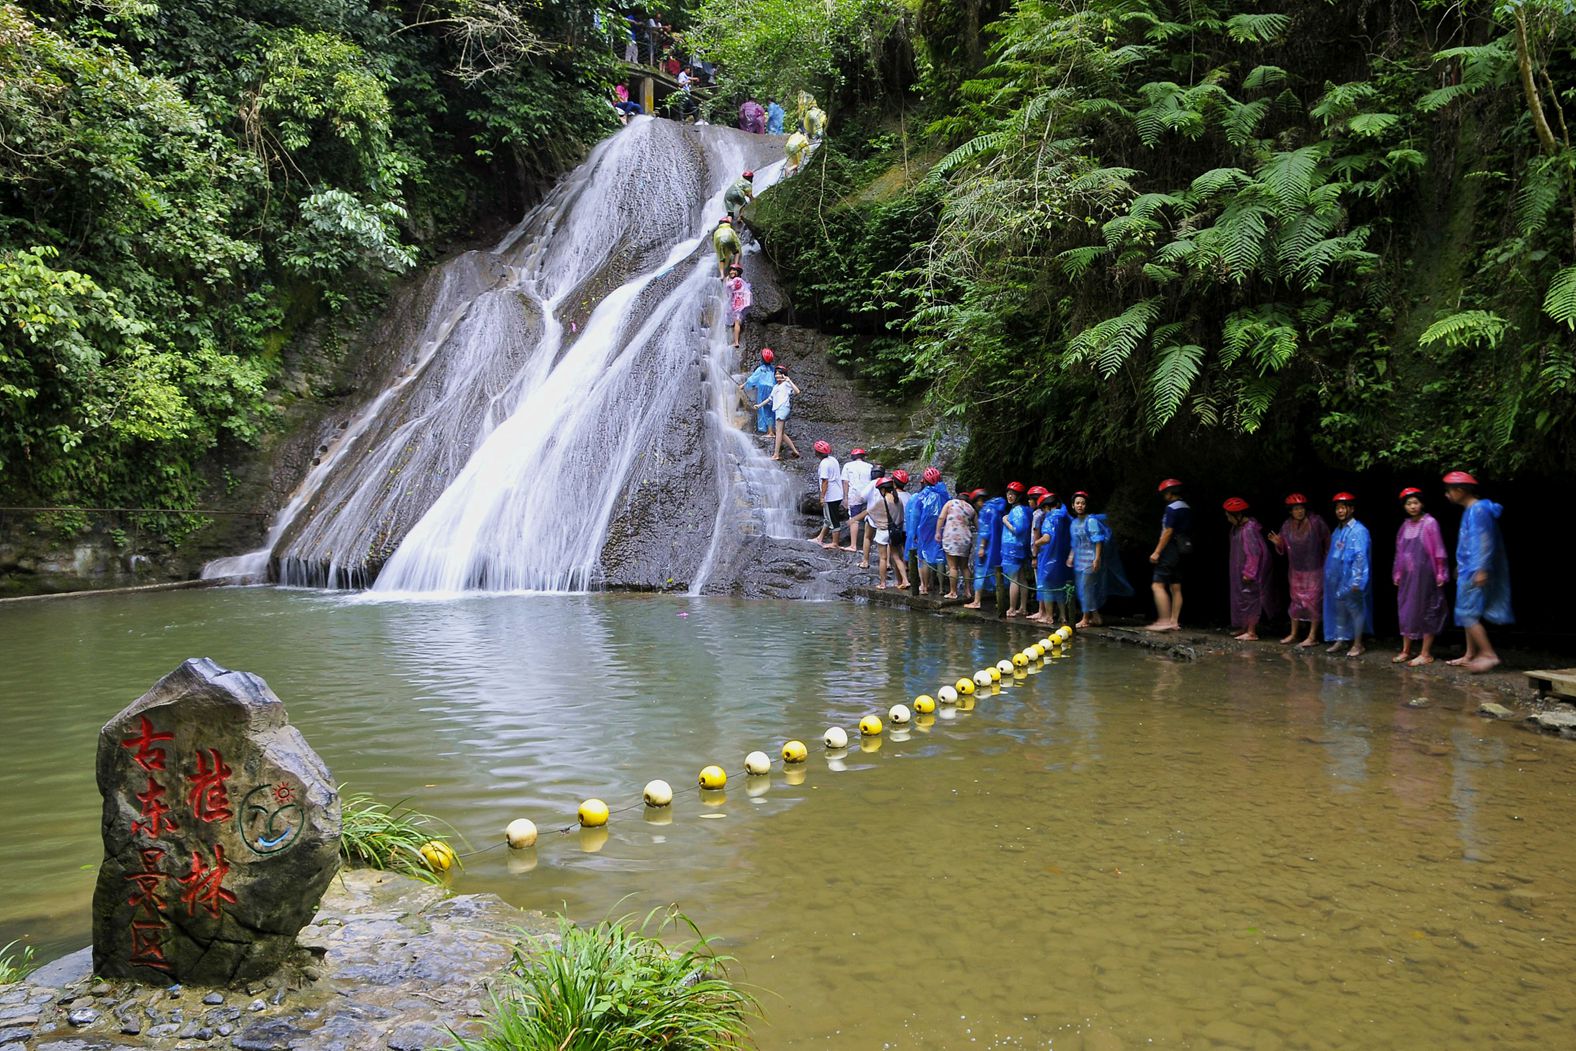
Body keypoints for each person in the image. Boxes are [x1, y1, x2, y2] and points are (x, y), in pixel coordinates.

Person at [1443, 471, 1512, 673]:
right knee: (1469, 612)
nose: (1446, 494)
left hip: (1475, 571)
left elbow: (1483, 541)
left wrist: (1480, 568)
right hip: (1468, 569)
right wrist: (1461, 565)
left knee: (1466, 614)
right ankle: (1470, 654)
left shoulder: (1478, 510)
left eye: (1449, 490)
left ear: (1460, 490)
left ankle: (1489, 654)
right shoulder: (1471, 510)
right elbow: (1468, 543)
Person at [1392, 487, 1449, 666]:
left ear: (1422, 503)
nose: (1413, 506)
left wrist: (1441, 572)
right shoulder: (1405, 525)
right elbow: (1400, 552)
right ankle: (1406, 650)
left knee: (1428, 609)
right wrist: (1398, 571)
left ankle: (1425, 653)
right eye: (1409, 504)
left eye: (1415, 503)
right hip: (1409, 577)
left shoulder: (1430, 523)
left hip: (1426, 575)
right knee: (1407, 609)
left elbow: (1439, 549)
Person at [1268, 493, 1329, 648]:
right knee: (1296, 600)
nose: (1299, 511)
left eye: (1301, 508)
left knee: (1314, 601)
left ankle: (1312, 635)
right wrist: (1278, 543)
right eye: (1296, 509)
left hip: (1315, 569)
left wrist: (1329, 561)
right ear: (1291, 511)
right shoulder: (1287, 525)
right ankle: (1294, 633)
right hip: (1296, 569)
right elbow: (1283, 546)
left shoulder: (1316, 522)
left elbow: (1327, 541)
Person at [1068, 490, 1132, 627]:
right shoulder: (1074, 523)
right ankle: (1096, 617)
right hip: (1080, 562)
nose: (1080, 505)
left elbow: (1098, 541)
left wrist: (1097, 559)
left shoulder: (1091, 521)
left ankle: (1085, 619)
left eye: (1083, 503)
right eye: (1077, 503)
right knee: (1085, 589)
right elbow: (1075, 543)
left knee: (1085, 589)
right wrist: (1071, 556)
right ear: (1073, 505)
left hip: (1091, 560)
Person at [1323, 492, 1373, 657]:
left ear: (1351, 509)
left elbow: (1361, 557)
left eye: (1343, 507)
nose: (1340, 511)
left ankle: (1358, 644)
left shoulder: (1359, 530)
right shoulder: (1337, 530)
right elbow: (1333, 555)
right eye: (1337, 508)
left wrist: (1357, 581)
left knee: (1355, 610)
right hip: (1337, 579)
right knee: (1340, 610)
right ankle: (1340, 639)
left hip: (1352, 580)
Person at [1223, 497, 1276, 642]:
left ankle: (1252, 631)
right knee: (1241, 598)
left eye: (1229, 516)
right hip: (1238, 568)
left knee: (1251, 599)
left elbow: (1254, 552)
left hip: (1250, 571)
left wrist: (1249, 571)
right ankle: (1244, 627)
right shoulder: (1237, 528)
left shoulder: (1249, 529)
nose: (1228, 519)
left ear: (1237, 515)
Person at [1147, 478, 1191, 631]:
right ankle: (1174, 621)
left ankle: (1164, 620)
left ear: (1170, 493)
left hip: (1170, 549)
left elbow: (1168, 531)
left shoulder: (1171, 508)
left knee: (1157, 585)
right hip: (1182, 548)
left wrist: (1157, 551)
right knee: (1176, 587)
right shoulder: (1186, 507)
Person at [852, 474, 905, 588]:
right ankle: (903, 581)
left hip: (883, 531)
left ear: (883, 489)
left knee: (883, 558)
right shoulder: (898, 500)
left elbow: (869, 512)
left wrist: (854, 519)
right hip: (895, 532)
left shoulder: (883, 501)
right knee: (896, 557)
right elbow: (901, 517)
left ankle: (882, 583)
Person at [1031, 491, 1075, 626]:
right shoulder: (1066, 517)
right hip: (1063, 558)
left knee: (1048, 588)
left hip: (1049, 558)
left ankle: (1048, 616)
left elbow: (1047, 538)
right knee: (1060, 587)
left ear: (1046, 507)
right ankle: (1063, 616)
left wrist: (1036, 543)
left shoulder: (1050, 519)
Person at [906, 467, 948, 594]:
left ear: (924, 481)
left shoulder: (921, 497)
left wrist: (912, 533)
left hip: (923, 531)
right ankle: (940, 587)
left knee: (923, 557)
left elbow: (914, 517)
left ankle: (924, 586)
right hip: (940, 530)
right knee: (939, 557)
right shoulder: (944, 495)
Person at [964, 488, 1006, 610]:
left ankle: (977, 601)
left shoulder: (986, 511)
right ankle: (1000, 602)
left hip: (987, 547)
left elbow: (984, 532)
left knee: (980, 573)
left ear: (979, 501)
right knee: (996, 573)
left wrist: (982, 547)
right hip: (997, 547)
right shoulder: (997, 509)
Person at [936, 488, 978, 600]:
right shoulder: (971, 509)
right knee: (964, 566)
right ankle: (968, 591)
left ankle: (953, 592)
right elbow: (978, 527)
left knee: (953, 567)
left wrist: (937, 532)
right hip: (965, 538)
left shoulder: (950, 503)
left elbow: (941, 517)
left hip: (951, 537)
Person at [998, 481, 1033, 617]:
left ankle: (1012, 608)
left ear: (1018, 496)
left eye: (1013, 494)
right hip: (1017, 548)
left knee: (1014, 579)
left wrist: (1005, 521)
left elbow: (1017, 530)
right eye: (1008, 493)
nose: (1010, 496)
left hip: (1012, 549)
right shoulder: (1020, 510)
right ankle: (1022, 607)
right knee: (1021, 578)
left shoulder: (1018, 511)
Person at [755, 366, 800, 460]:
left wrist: (789, 380)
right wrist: (759, 405)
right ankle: (795, 451)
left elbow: (797, 391)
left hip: (783, 408)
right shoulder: (776, 386)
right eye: (776, 374)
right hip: (778, 409)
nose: (777, 376)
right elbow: (769, 399)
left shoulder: (786, 384)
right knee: (781, 432)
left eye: (779, 374)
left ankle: (776, 454)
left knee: (778, 432)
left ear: (784, 375)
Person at [813, 440, 847, 548]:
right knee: (828, 518)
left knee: (833, 519)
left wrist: (822, 497)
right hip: (838, 493)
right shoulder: (833, 460)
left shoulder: (824, 464)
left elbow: (825, 481)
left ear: (817, 453)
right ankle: (820, 538)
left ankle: (835, 543)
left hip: (831, 496)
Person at [841, 448, 873, 558]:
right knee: (870, 518)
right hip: (868, 494)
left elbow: (845, 482)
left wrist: (845, 497)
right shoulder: (869, 466)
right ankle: (871, 544)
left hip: (854, 494)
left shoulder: (848, 466)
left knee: (854, 518)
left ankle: (853, 545)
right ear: (863, 457)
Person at [738, 347, 775, 434]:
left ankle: (765, 430)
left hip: (763, 391)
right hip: (772, 390)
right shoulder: (773, 370)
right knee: (770, 410)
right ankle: (771, 431)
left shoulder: (761, 369)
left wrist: (743, 385)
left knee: (762, 409)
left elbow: (752, 380)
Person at [724, 263, 752, 347]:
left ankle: (736, 342)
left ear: (738, 272)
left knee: (736, 322)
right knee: (736, 321)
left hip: (738, 304)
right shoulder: (741, 281)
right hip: (736, 303)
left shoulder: (737, 280)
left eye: (734, 270)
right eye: (731, 270)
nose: (732, 272)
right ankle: (735, 340)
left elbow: (730, 287)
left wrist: (726, 280)